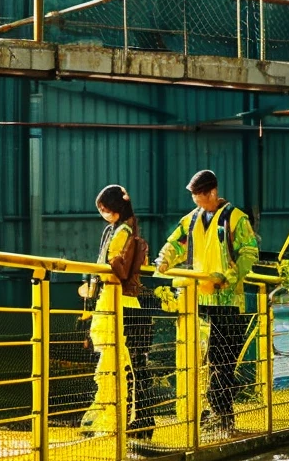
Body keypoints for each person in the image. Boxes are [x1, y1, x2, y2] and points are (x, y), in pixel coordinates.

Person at [154, 169, 259, 430]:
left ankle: (222, 416)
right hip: (198, 301)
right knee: (207, 362)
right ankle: (217, 415)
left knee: (223, 361)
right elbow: (175, 243)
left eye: (199, 194)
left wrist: (225, 278)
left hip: (227, 302)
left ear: (213, 192)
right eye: (193, 195)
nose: (196, 199)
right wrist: (164, 259)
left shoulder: (235, 219)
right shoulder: (191, 220)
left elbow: (249, 253)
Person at [78, 184, 155, 441]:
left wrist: (95, 280)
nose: (103, 214)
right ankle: (138, 419)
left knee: (128, 366)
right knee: (132, 366)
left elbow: (114, 265)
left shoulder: (121, 230)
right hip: (124, 302)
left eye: (105, 209)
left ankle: (136, 419)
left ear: (115, 208)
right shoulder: (122, 228)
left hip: (121, 303)